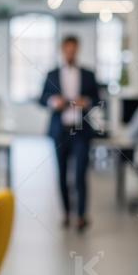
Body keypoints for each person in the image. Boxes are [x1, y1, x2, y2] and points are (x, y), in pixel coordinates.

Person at [39, 36, 100, 233]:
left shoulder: (88, 74)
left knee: (80, 174)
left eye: (74, 49)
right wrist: (53, 102)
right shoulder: (52, 74)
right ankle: (66, 213)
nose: (71, 53)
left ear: (78, 50)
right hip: (60, 131)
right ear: (63, 50)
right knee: (62, 174)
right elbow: (42, 98)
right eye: (68, 49)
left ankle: (81, 215)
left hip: (81, 132)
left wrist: (86, 101)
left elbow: (97, 99)